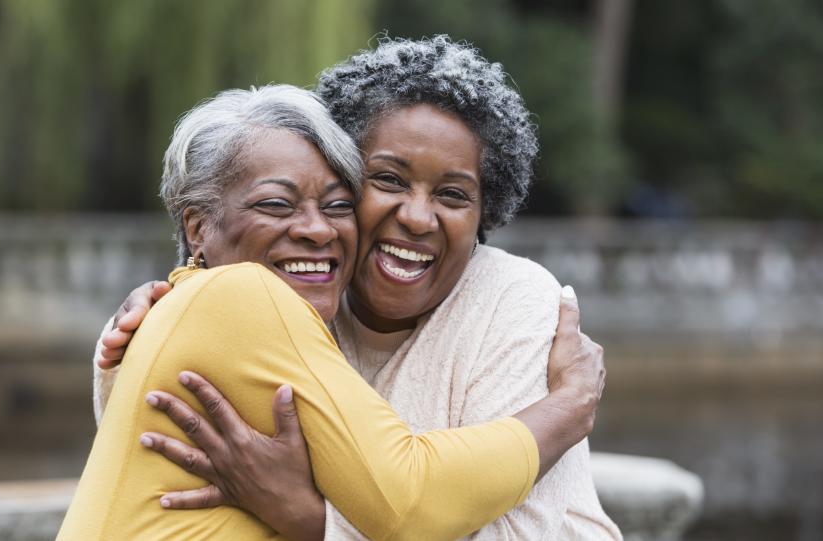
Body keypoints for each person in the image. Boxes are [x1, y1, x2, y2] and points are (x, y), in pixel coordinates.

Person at [93, 37, 621, 540]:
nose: (417, 217)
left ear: (486, 212)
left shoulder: (512, 298)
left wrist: (306, 519)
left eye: (453, 195)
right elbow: (146, 448)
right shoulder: (288, 298)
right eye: (388, 180)